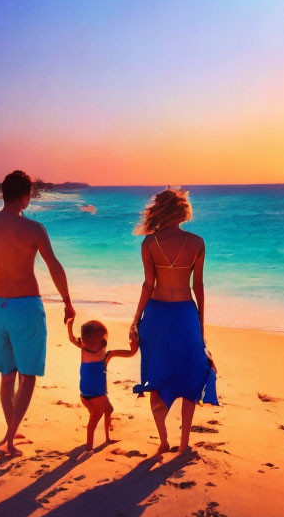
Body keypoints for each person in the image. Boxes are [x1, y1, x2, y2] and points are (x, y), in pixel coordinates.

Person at [0, 170, 76, 456]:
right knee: (27, 375)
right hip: (26, 306)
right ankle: (12, 437)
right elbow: (54, 266)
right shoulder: (34, 229)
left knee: (7, 374)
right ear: (25, 195)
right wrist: (67, 301)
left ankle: (11, 433)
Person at [130, 188, 218, 457]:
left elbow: (148, 285)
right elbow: (199, 287)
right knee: (190, 374)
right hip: (184, 315)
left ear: (160, 210)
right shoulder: (197, 242)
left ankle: (163, 440)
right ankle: (183, 443)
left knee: (157, 374)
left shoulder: (148, 244)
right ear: (182, 211)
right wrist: (201, 325)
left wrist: (136, 320)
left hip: (156, 315)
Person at [66, 318, 138, 453]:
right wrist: (134, 341)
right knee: (94, 418)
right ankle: (89, 447)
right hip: (97, 393)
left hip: (84, 393)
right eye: (104, 340)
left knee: (108, 409)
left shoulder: (83, 348)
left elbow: (71, 338)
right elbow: (131, 353)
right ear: (103, 343)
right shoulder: (106, 356)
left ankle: (106, 439)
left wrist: (69, 325)